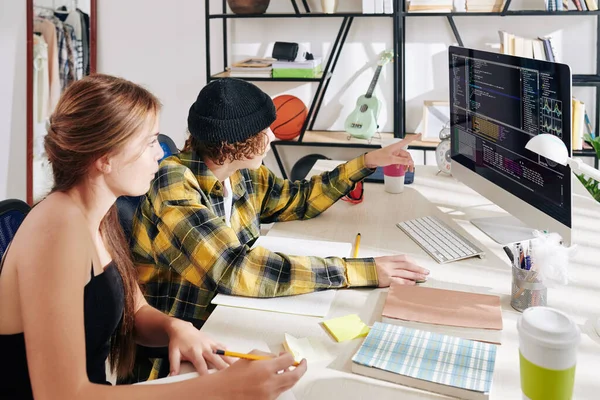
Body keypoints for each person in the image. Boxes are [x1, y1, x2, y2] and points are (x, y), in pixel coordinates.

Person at [0, 74, 305, 400]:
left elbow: (133, 310)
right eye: (148, 142)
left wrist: (175, 328)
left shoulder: (98, 218)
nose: (159, 155)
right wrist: (222, 388)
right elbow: (63, 394)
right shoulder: (55, 235)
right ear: (105, 157)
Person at [131, 78, 429, 379]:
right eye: (264, 131)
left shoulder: (240, 173)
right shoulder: (174, 184)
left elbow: (297, 199)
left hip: (228, 321)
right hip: (177, 356)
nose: (272, 136)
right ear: (234, 142)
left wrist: (367, 162)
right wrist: (358, 272)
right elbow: (235, 270)